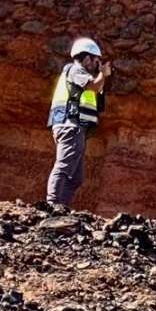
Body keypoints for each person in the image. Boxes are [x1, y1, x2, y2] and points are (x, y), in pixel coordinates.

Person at [44, 37, 111, 212]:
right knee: (64, 167)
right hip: (70, 126)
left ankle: (61, 207)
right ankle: (52, 205)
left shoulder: (81, 73)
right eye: (97, 61)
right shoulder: (75, 70)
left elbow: (96, 94)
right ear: (87, 58)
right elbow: (94, 87)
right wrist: (103, 73)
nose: (98, 65)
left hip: (75, 127)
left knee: (76, 177)